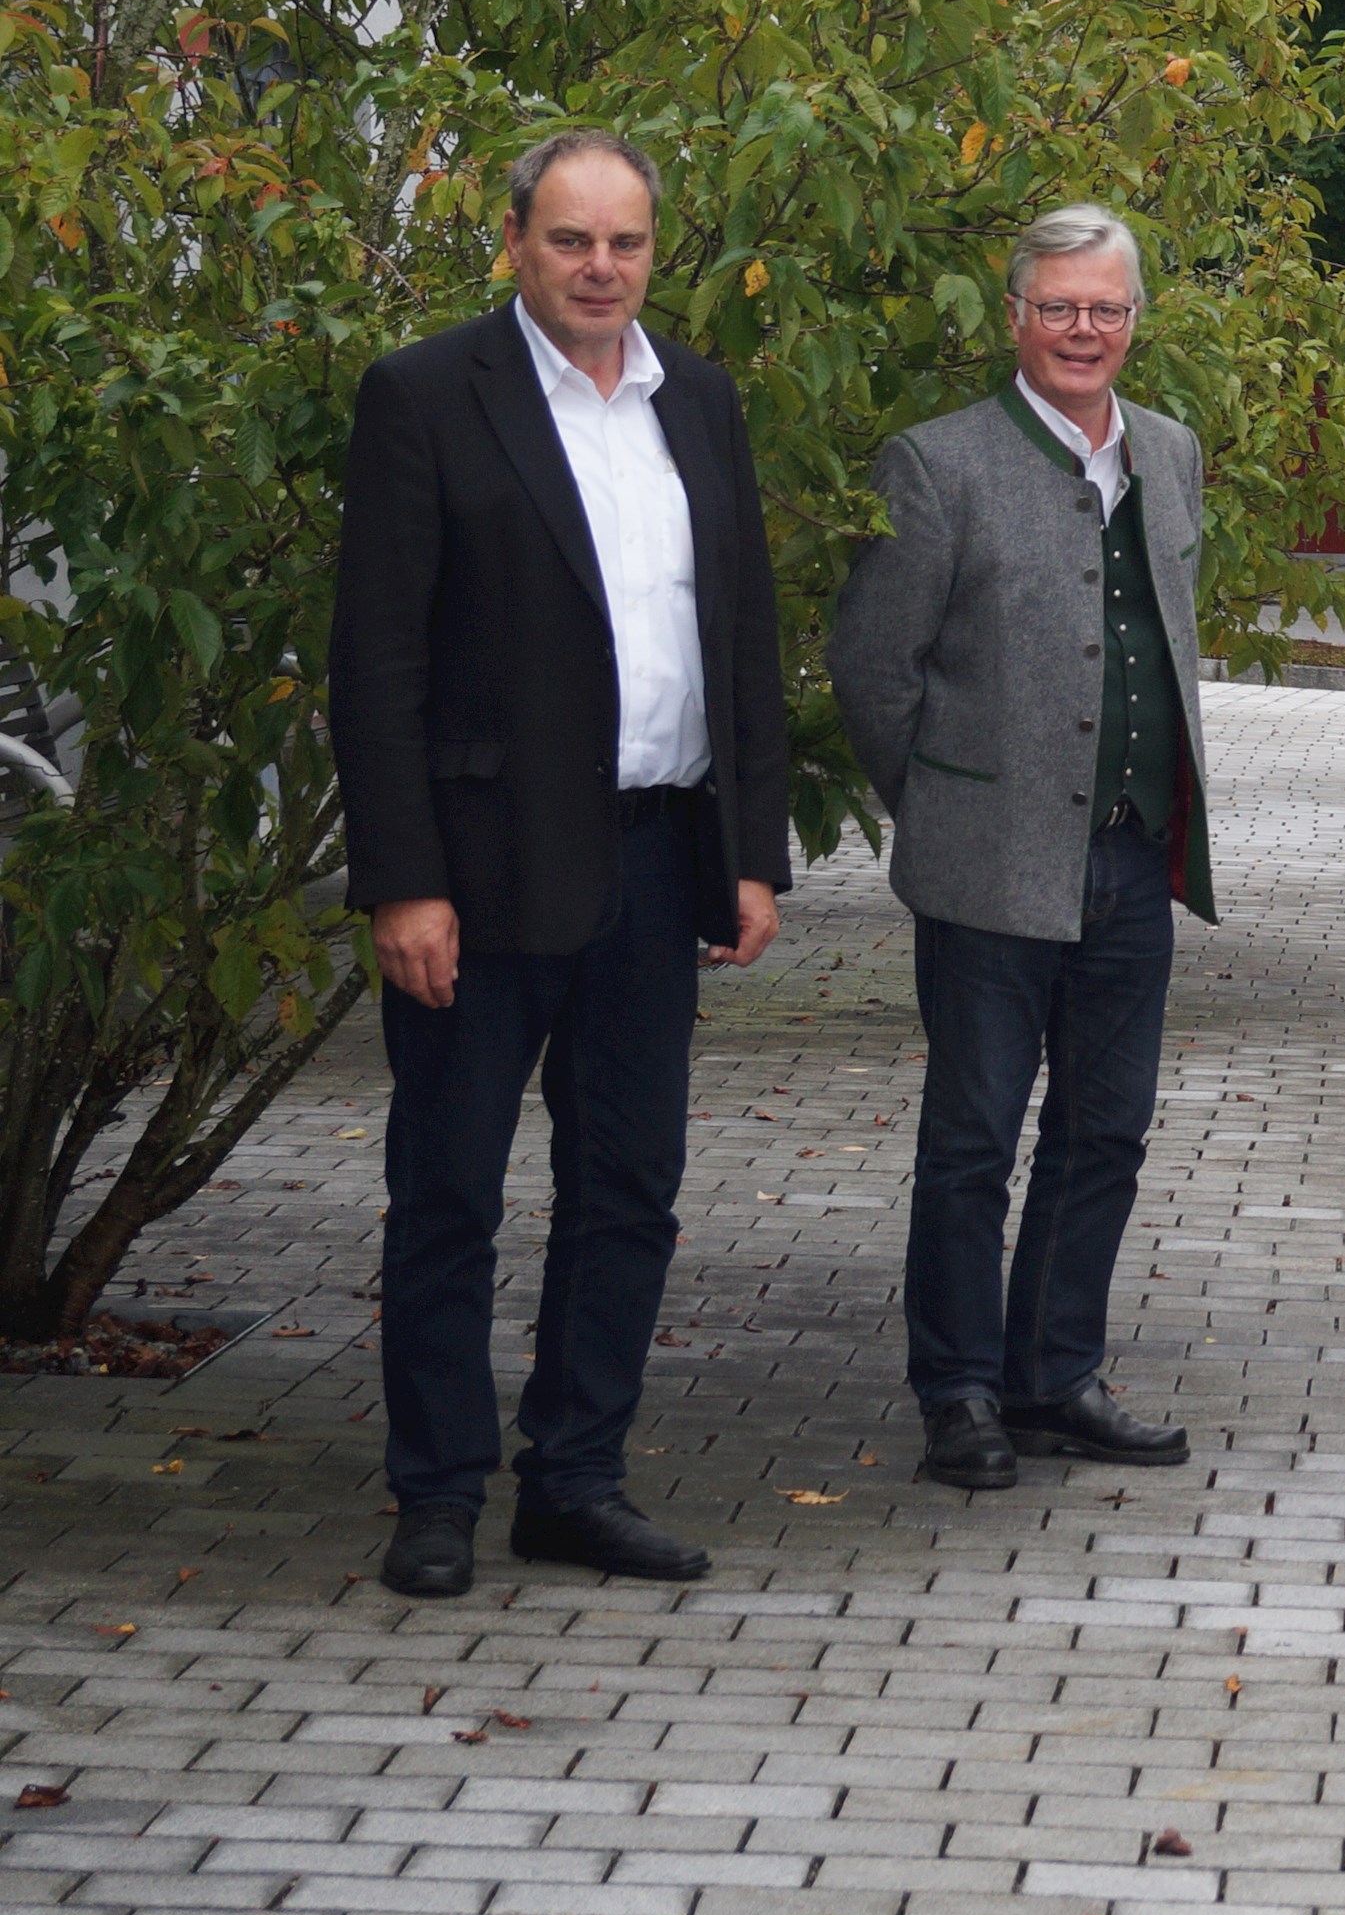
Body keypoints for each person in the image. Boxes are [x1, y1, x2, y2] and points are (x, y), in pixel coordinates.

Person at [331, 127, 789, 1597]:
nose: (602, 267)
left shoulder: (698, 402)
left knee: (628, 1188)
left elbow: (744, 643)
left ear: (660, 250)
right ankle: (439, 1490)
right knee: (450, 1186)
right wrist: (403, 876)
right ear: (515, 239)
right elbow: (377, 657)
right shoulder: (423, 395)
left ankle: (576, 1478)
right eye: (572, 238)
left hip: (658, 860)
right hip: (477, 870)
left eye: (628, 241)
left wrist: (751, 854)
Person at [830, 206, 1213, 1493]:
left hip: (1129, 858)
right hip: (987, 863)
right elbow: (874, 668)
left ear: (1134, 319)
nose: (1082, 331)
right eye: (1058, 307)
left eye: (1105, 308)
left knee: (1105, 1132)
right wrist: (943, 806)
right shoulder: (934, 465)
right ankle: (960, 1394)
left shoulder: (1169, 453)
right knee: (973, 1141)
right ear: (1014, 318)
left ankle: (1056, 1374)